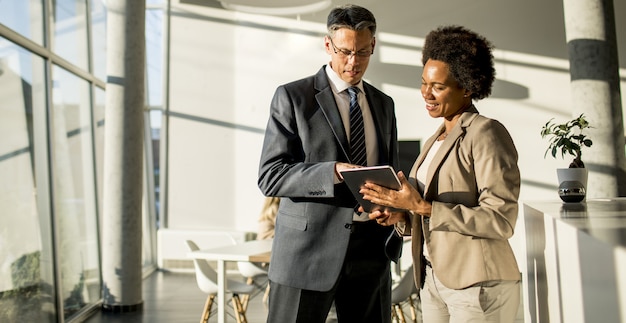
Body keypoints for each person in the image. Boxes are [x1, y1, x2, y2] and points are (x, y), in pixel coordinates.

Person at [359, 25, 522, 323]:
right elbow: (429, 215)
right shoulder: (438, 137)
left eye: (438, 86)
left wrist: (422, 207)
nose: (426, 93)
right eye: (423, 83)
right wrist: (403, 216)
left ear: (468, 87)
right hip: (433, 279)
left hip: (477, 284)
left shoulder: (486, 132)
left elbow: (501, 219)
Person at [257, 4, 401, 323]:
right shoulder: (293, 97)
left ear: (373, 46)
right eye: (345, 51)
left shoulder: (383, 104)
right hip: (306, 255)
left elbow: (388, 171)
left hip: (372, 253)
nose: (353, 62)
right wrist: (333, 171)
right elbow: (270, 176)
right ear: (328, 45)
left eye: (363, 52)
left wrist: (394, 205)